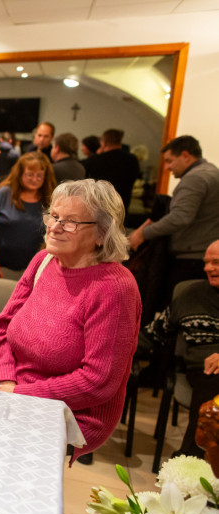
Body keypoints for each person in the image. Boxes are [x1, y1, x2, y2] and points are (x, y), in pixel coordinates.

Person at [0, 179, 141, 465]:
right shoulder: (44, 260)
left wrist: (18, 394)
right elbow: (2, 327)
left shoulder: (114, 288)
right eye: (54, 216)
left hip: (72, 412)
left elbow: (98, 382)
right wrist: (7, 381)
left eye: (71, 222)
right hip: (11, 390)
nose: (55, 227)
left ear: (102, 233)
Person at [142, 240, 219, 459]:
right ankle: (194, 457)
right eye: (206, 262)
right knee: (213, 374)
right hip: (203, 371)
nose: (208, 268)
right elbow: (154, 334)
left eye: (215, 262)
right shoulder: (190, 295)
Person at [128, 135, 219, 293]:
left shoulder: (195, 178)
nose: (167, 167)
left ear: (185, 155)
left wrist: (142, 233)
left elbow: (180, 217)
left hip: (191, 257)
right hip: (200, 252)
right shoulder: (212, 171)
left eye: (169, 161)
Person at [0, 152, 55, 279]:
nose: (34, 179)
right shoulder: (4, 194)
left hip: (36, 271)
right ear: (20, 174)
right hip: (1, 267)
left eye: (39, 175)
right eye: (30, 175)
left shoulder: (50, 199)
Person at [83, 129, 140, 210]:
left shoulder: (95, 160)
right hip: (122, 204)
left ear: (103, 143)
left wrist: (97, 155)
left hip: (99, 205)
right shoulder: (132, 159)